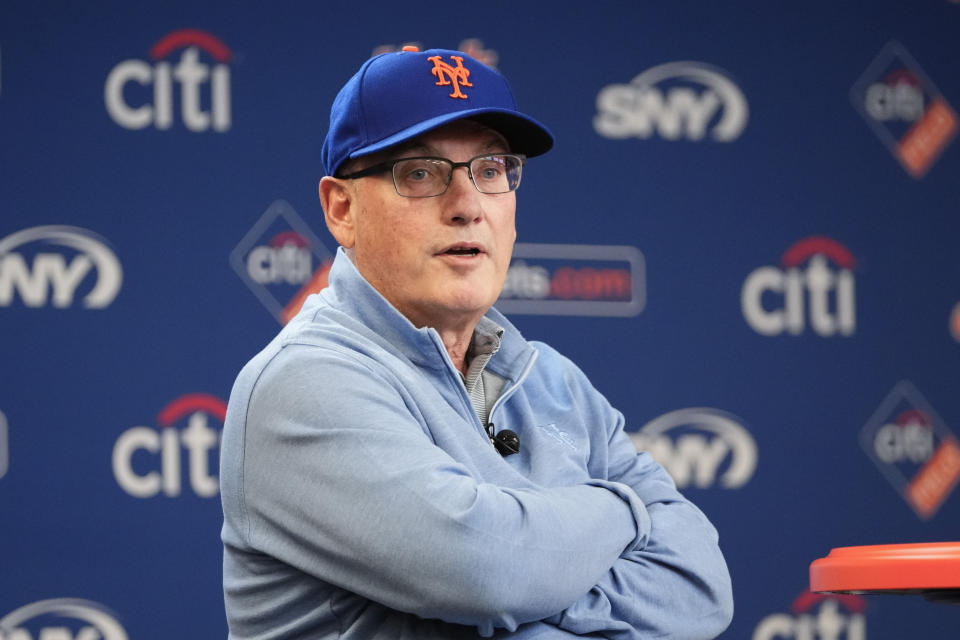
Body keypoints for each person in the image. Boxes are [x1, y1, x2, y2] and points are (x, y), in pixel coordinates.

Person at [220, 46, 733, 640]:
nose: (467, 206)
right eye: (419, 172)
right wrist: (625, 510)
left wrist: (535, 592)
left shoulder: (555, 382)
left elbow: (700, 589)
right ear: (342, 210)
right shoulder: (303, 382)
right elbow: (486, 570)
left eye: (490, 170)